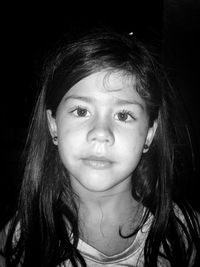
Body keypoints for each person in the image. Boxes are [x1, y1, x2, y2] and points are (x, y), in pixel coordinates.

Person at [0, 28, 199, 267]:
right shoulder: (21, 237)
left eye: (123, 115)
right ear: (53, 126)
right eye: (81, 111)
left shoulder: (183, 234)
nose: (101, 134)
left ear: (149, 134)